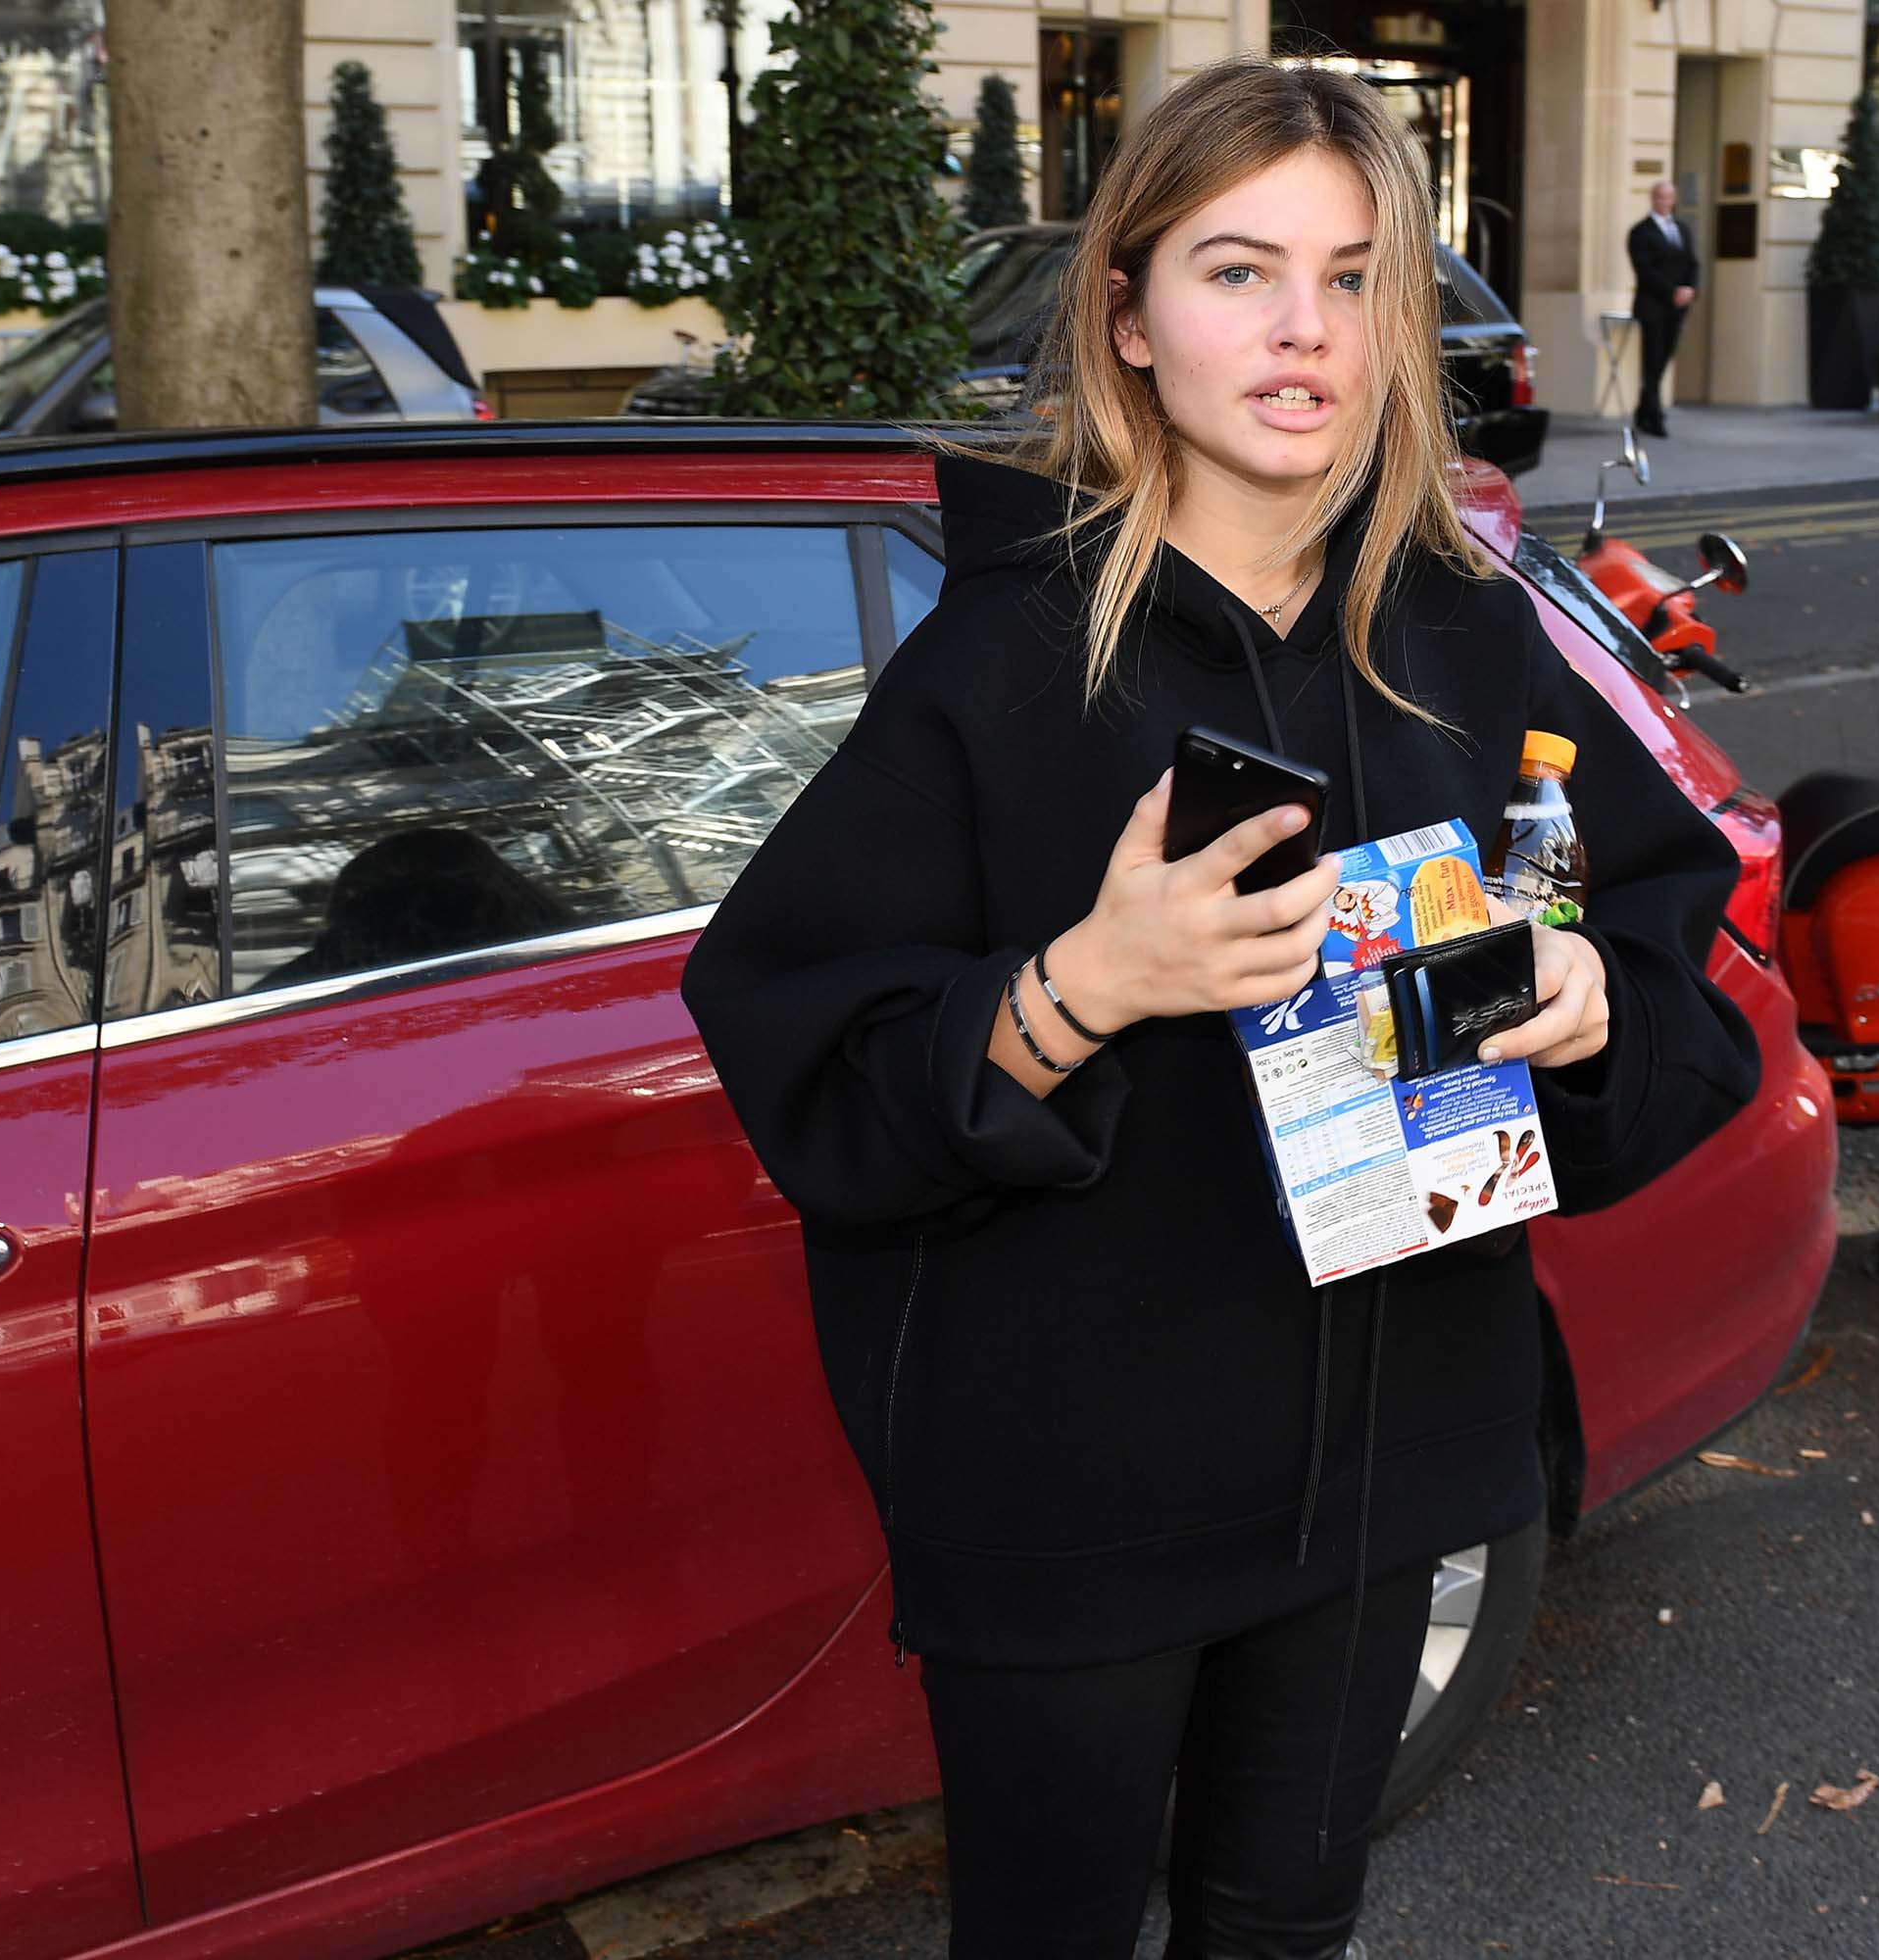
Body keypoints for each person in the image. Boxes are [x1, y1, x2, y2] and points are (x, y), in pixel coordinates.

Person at [677, 54, 1760, 1960]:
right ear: (1130, 312)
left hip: (1391, 1455)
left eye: (1354, 277)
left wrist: (1588, 993)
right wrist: (1092, 981)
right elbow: (801, 1043)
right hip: (1075, 1500)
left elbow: (1653, 924)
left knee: (1287, 1921)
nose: (1304, 331)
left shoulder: (1459, 631)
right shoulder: (1007, 658)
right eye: (1240, 269)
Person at [1624, 180, 1699, 439]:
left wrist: (1690, 289)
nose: (1663, 201)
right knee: (1652, 359)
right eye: (1658, 196)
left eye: (1667, 197)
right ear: (1652, 199)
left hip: (1677, 308)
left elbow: (1692, 263)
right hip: (1652, 306)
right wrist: (1672, 292)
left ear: (1673, 199)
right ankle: (1654, 415)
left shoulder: (1682, 229)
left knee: (1664, 358)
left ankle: (1644, 409)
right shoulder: (1640, 232)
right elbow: (1645, 271)